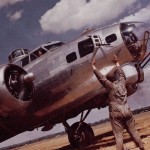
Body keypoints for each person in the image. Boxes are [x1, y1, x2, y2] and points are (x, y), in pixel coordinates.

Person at [91, 54, 145, 150]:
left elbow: (101, 78)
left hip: (116, 112)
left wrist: (93, 66)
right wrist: (116, 63)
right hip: (127, 110)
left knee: (118, 136)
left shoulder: (110, 87)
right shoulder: (123, 83)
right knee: (133, 132)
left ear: (110, 80)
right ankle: (142, 147)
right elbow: (122, 74)